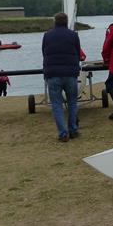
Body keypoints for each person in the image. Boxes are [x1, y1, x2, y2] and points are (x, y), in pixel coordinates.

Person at [42, 12, 82, 141]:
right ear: (66, 21)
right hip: (70, 73)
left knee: (56, 104)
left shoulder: (47, 36)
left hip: (53, 74)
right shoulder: (73, 35)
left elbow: (44, 53)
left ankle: (62, 133)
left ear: (55, 22)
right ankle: (73, 129)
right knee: (72, 102)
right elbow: (78, 53)